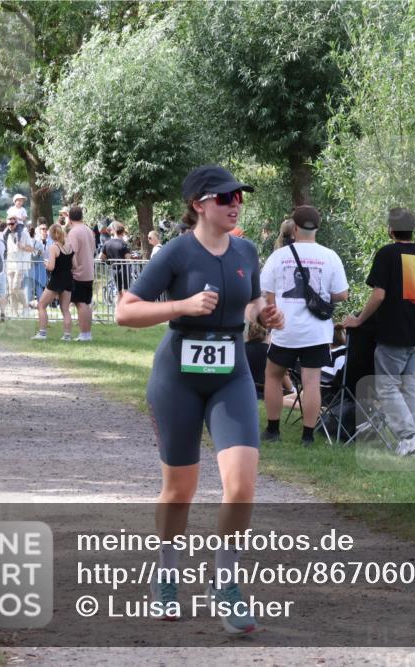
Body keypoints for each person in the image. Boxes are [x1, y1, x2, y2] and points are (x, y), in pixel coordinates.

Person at [114, 164, 283, 633]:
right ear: (199, 204)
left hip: (229, 375)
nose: (235, 205)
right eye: (226, 197)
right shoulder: (175, 252)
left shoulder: (246, 250)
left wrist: (264, 314)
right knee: (180, 489)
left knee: (242, 485)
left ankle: (225, 581)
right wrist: (181, 307)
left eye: (238, 197)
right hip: (177, 380)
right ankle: (167, 574)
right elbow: (123, 312)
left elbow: (247, 306)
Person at [342, 207, 415, 456]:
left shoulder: (387, 254)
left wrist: (359, 320)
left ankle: (409, 436)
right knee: (412, 386)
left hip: (394, 332)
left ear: (390, 230)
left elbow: (379, 294)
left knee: (387, 386)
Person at [259, 205, 349, 445]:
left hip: (285, 329)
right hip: (317, 331)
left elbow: (266, 290)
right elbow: (342, 294)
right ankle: (308, 436)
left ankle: (273, 430)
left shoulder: (279, 256)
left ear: (295, 228)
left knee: (273, 376)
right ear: (317, 228)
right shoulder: (330, 256)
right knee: (311, 383)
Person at [32, 224, 74, 341]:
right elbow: (74, 265)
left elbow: (51, 267)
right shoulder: (70, 246)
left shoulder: (54, 247)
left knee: (41, 305)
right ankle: (67, 335)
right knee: (65, 309)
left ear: (51, 234)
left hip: (56, 280)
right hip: (68, 279)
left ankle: (42, 333)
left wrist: (46, 264)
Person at [66, 206, 96, 342]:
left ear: (69, 217)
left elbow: (72, 253)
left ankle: (84, 334)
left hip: (79, 273)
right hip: (89, 270)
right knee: (86, 303)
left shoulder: (73, 232)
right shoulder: (89, 230)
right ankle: (87, 333)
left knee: (80, 303)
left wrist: (72, 268)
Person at [4, 215, 34, 316]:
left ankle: (26, 307)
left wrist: (23, 247)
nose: (10, 226)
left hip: (21, 264)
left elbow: (31, 248)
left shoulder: (24, 233)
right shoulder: (6, 234)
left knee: (15, 287)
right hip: (10, 263)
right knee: (11, 290)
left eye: (12, 224)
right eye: (8, 224)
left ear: (16, 223)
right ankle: (14, 312)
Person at [100, 222, 133, 298]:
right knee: (125, 292)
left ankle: (117, 309)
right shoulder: (123, 243)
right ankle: (125, 309)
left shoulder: (106, 243)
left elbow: (101, 257)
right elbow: (128, 259)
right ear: (122, 232)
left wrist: (108, 261)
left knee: (118, 293)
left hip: (114, 269)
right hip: (124, 270)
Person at [29, 220, 48, 304]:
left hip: (30, 267)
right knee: (39, 286)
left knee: (29, 286)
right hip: (39, 267)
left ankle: (28, 304)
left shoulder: (25, 244)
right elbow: (42, 254)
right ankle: (40, 303)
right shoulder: (38, 244)